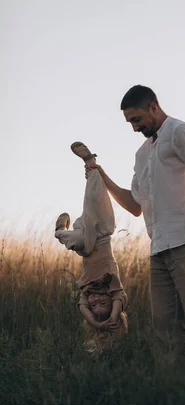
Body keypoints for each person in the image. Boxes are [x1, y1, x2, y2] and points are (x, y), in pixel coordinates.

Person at [86, 85, 185, 367]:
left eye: (137, 119)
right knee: (165, 326)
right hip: (159, 248)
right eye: (130, 122)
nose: (134, 127)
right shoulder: (142, 154)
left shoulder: (179, 132)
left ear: (153, 106)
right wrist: (102, 177)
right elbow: (135, 205)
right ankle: (176, 389)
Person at [55, 142, 128, 354]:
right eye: (101, 303)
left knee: (69, 238)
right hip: (102, 237)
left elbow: (82, 307)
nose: (95, 300)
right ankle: (91, 164)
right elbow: (119, 299)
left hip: (85, 245)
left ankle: (60, 229)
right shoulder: (112, 285)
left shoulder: (86, 291)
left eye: (93, 304)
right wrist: (112, 318)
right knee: (95, 201)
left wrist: (95, 324)